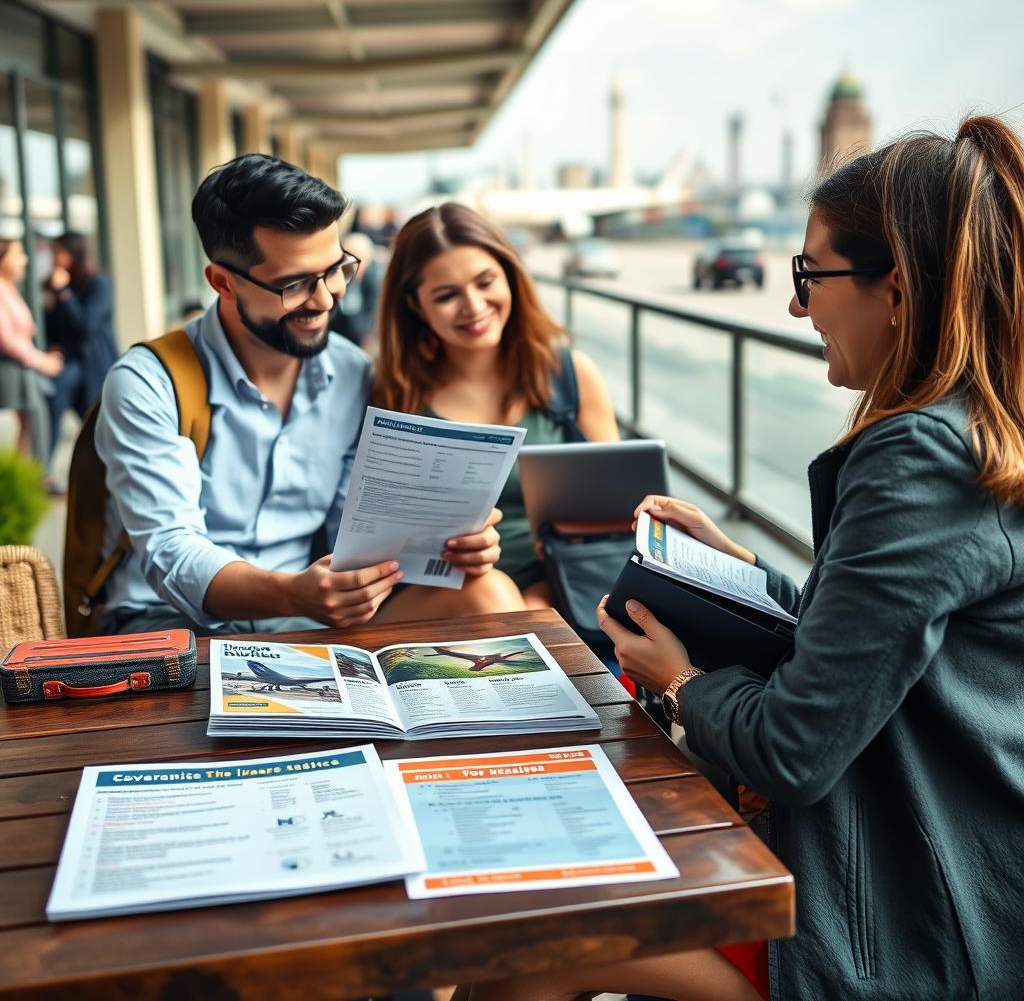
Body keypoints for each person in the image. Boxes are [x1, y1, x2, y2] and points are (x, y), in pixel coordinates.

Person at [461, 116, 1024, 1001]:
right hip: (952, 880)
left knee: (525, 944)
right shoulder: (982, 429)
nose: (796, 307)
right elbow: (891, 647)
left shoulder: (917, 456)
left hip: (901, 920)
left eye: (811, 275)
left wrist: (681, 682)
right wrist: (741, 571)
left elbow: (792, 750)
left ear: (899, 291)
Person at [94, 154, 523, 636]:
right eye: (294, 284)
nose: (324, 299)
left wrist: (448, 544)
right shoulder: (148, 381)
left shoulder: (351, 372)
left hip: (305, 620)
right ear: (223, 282)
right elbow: (170, 550)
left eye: (335, 269)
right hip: (169, 625)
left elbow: (362, 531)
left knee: (489, 593)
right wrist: (291, 593)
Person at [373, 203, 619, 608]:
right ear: (415, 306)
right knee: (492, 595)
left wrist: (542, 598)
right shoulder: (390, 394)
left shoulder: (571, 377)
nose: (473, 305)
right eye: (447, 295)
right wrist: (441, 548)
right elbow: (371, 534)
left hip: (564, 588)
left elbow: (617, 518)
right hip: (442, 595)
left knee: (516, 606)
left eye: (485, 282)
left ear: (511, 277)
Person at [43, 231, 117, 461]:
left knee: (97, 421)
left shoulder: (99, 283)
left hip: (94, 363)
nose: (54, 258)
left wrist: (64, 294)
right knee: (54, 405)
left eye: (58, 252)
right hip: (69, 362)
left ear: (74, 253)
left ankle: (103, 469)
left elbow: (86, 326)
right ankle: (43, 469)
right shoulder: (56, 284)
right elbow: (51, 326)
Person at [0, 237, 62, 461]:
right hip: (11, 369)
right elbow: (6, 338)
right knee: (29, 424)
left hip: (20, 367)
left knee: (31, 424)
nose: (24, 260)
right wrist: (40, 361)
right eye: (17, 254)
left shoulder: (9, 289)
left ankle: (28, 479)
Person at [328, 231, 381, 348]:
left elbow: (364, 324)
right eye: (346, 257)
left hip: (362, 339)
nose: (348, 263)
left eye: (356, 258)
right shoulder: (338, 275)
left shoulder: (374, 280)